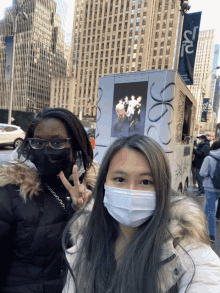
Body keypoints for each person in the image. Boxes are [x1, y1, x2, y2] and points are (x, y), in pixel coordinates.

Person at [63, 134, 220, 293]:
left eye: (146, 182)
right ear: (104, 183)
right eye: (119, 179)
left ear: (161, 188)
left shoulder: (186, 249)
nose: (131, 190)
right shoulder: (87, 240)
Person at [0, 107, 98, 292]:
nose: (46, 150)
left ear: (76, 144)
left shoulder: (94, 191)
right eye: (38, 142)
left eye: (57, 142)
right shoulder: (12, 195)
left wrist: (85, 211)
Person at [200, 140, 220, 243]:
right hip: (219, 189)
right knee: (208, 208)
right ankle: (201, 227)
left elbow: (202, 172)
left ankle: (211, 235)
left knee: (211, 211)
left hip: (209, 187)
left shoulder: (209, 158)